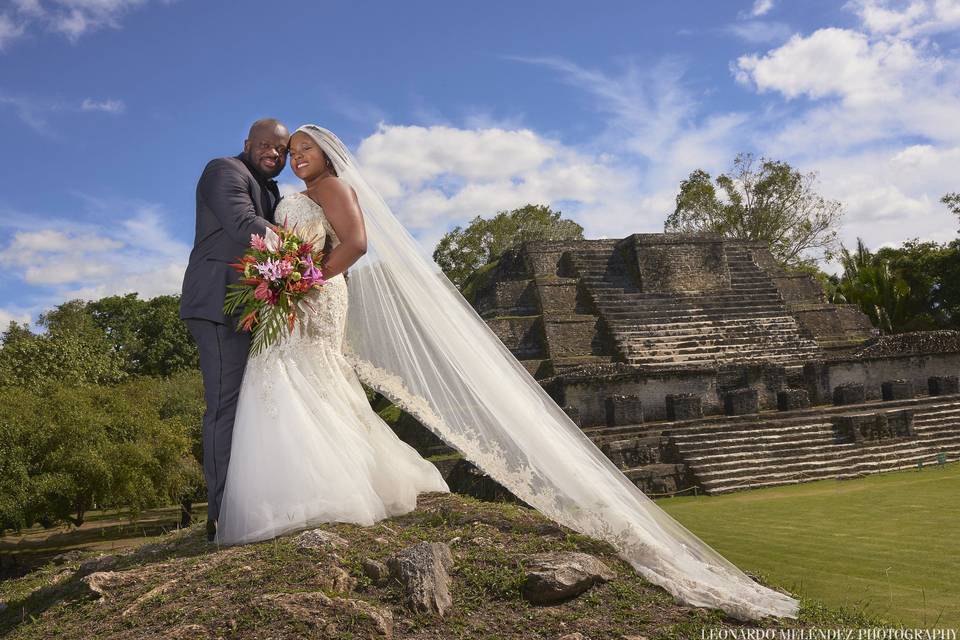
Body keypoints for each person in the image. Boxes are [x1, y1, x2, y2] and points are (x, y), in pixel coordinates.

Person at [216, 125, 800, 622]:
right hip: (293, 297)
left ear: (327, 154)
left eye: (304, 149)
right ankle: (314, 482)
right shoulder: (301, 194)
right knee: (302, 382)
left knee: (308, 376)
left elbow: (359, 243)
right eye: (290, 151)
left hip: (314, 295)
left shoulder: (333, 188)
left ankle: (328, 488)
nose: (296, 157)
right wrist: (285, 280)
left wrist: (306, 280)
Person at [179, 118, 289, 542]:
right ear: (247, 143)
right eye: (266, 145)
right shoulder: (223, 169)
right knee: (225, 407)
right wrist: (305, 247)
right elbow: (244, 225)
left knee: (253, 404)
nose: (273, 154)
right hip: (216, 304)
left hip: (249, 306)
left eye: (280, 150)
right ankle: (222, 515)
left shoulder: (272, 188)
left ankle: (251, 500)